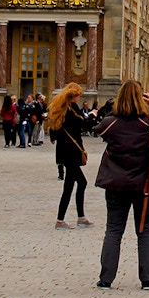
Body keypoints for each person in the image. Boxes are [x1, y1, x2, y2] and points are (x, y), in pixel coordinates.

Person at [94, 80, 149, 290]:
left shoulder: (110, 123)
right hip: (146, 184)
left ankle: (106, 278)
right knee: (145, 230)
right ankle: (147, 278)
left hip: (116, 184)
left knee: (114, 230)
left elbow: (97, 128)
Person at [48, 83, 93, 230]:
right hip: (72, 151)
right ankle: (60, 220)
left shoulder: (59, 110)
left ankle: (81, 217)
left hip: (64, 151)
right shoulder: (72, 109)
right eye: (79, 95)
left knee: (81, 182)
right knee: (70, 186)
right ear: (74, 96)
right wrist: (91, 116)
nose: (79, 98)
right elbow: (83, 124)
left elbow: (54, 133)